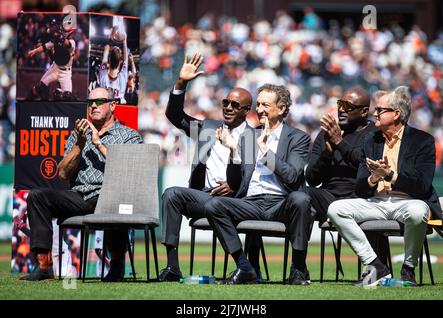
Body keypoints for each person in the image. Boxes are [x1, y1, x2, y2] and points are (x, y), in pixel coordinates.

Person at [20, 87, 143, 281]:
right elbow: (62, 174)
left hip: (108, 195)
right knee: (37, 196)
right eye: (90, 102)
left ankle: (117, 266)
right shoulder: (78, 134)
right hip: (79, 196)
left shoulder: (129, 136)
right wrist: (80, 143)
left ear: (113, 105)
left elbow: (128, 171)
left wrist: (98, 143)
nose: (93, 105)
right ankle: (44, 266)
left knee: (116, 200)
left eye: (99, 102)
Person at [327, 86, 443, 286]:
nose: (374, 113)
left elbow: (422, 185)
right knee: (336, 209)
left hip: (408, 201)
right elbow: (361, 189)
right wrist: (373, 178)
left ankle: (408, 269)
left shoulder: (422, 141)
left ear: (396, 114)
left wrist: (389, 174)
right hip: (376, 202)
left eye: (380, 110)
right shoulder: (370, 140)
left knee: (417, 211)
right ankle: (375, 266)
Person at [159, 53, 254, 282]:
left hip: (235, 201)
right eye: (226, 103)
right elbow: (175, 116)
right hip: (203, 196)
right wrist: (182, 83)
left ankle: (244, 266)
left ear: (246, 110)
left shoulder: (252, 137)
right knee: (171, 194)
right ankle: (173, 267)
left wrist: (233, 186)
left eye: (235, 104)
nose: (228, 107)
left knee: (216, 203)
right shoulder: (208, 128)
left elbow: (250, 176)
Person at [204, 84, 312, 285]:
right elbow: (236, 183)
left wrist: (264, 150)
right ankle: (244, 267)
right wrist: (233, 152)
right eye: (259, 104)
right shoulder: (249, 136)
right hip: (251, 203)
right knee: (213, 205)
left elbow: (292, 176)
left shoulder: (298, 138)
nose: (259, 109)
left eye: (266, 105)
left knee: (301, 199)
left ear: (281, 109)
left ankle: (298, 268)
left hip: (281, 203)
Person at [306, 87, 390, 268]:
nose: (341, 109)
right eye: (339, 104)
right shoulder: (326, 133)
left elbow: (364, 164)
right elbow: (312, 178)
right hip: (329, 198)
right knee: (301, 194)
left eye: (348, 106)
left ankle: (377, 268)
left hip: (361, 198)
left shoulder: (374, 134)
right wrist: (327, 154)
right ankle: (299, 268)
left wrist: (339, 143)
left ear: (364, 111)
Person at [27, 19, 76, 101]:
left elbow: (68, 45)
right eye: (63, 29)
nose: (63, 31)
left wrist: (62, 37)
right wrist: (34, 51)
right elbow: (45, 47)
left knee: (67, 97)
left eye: (65, 30)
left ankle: (58, 94)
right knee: (40, 87)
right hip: (55, 68)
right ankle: (27, 101)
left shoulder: (72, 42)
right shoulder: (57, 39)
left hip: (65, 73)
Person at [98, 25, 128, 104]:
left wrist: (110, 37)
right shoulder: (122, 77)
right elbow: (125, 60)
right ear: (119, 63)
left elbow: (105, 53)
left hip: (105, 108)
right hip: (120, 109)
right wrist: (124, 41)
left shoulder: (103, 75)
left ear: (109, 60)